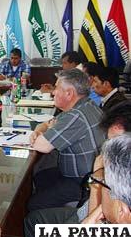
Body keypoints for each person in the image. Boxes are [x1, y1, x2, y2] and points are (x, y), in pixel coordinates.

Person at [24, 101, 131, 236]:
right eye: (108, 141)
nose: (107, 150)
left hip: (89, 219)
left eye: (115, 143)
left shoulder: (120, 175)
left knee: (35, 212)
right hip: (86, 211)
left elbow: (96, 225)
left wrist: (97, 177)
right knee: (34, 218)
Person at [28, 69, 105, 211]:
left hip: (82, 183)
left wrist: (41, 133)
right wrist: (40, 130)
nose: (53, 92)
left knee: (33, 205)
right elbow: (45, 124)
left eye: (56, 88)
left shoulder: (75, 115)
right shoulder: (85, 105)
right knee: (40, 176)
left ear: (69, 93)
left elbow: (41, 146)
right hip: (84, 174)